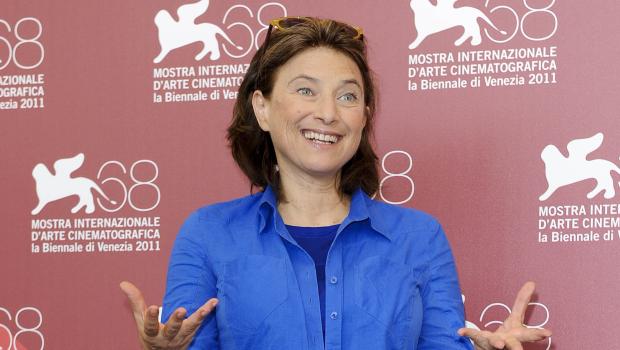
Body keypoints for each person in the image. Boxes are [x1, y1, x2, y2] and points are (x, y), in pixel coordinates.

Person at [121, 17, 551, 350]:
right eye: (306, 91)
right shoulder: (208, 233)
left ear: (364, 117)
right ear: (263, 108)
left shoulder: (420, 237)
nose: (328, 113)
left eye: (347, 96)